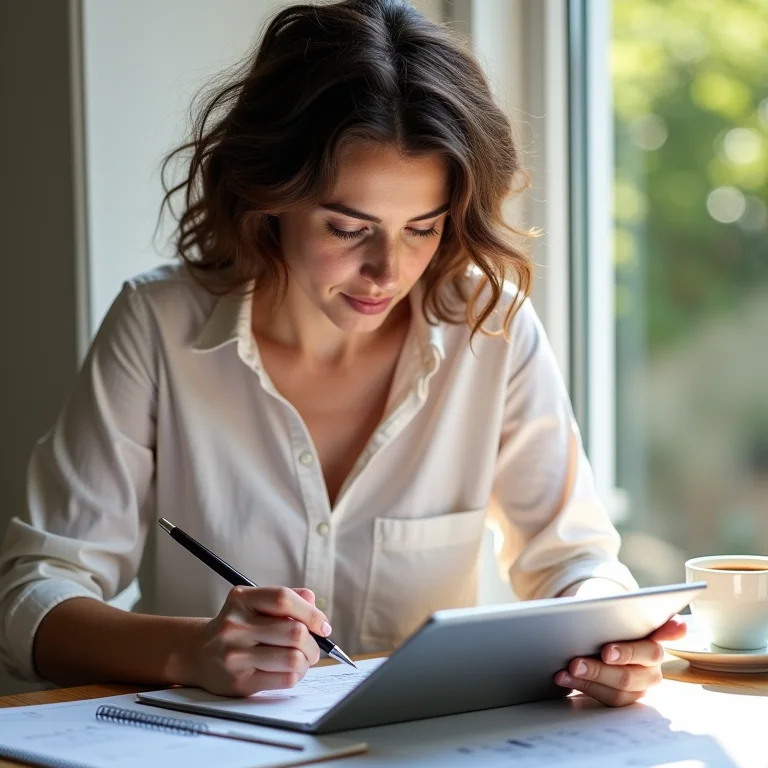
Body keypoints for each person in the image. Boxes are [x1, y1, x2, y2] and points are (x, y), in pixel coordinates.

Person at [0, 0, 684, 706]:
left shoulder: (491, 327)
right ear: (270, 198)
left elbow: (574, 561)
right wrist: (191, 648)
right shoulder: (158, 326)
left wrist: (612, 636)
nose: (389, 271)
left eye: (422, 228)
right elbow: (32, 599)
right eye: (349, 228)